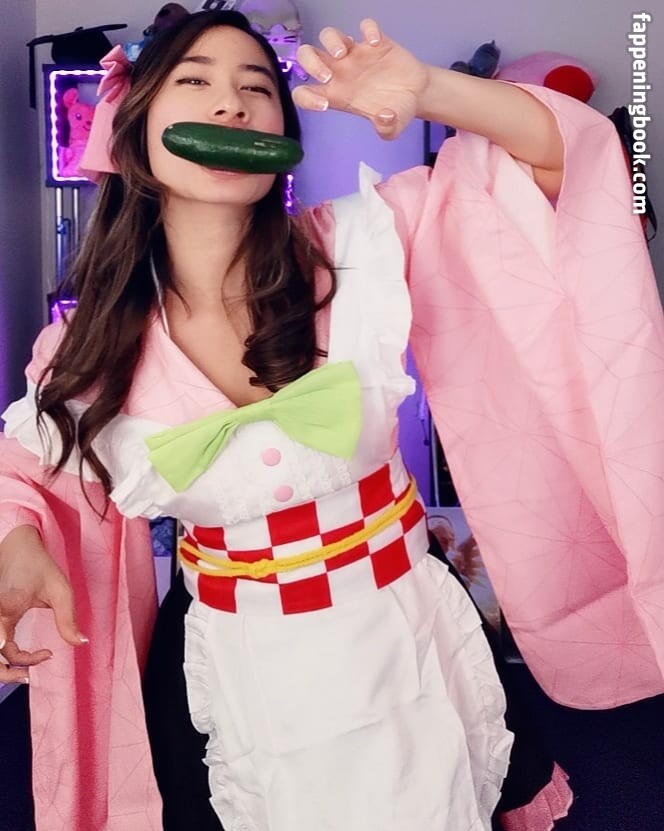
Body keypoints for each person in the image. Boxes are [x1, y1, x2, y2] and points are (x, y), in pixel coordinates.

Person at [1, 8, 663, 831]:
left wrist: (429, 90)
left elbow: (563, 166)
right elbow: (23, 465)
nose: (232, 105)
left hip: (402, 624)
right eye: (195, 82)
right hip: (231, 660)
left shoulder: (365, 244)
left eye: (256, 88)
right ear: (136, 133)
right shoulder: (89, 343)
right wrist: (16, 535)